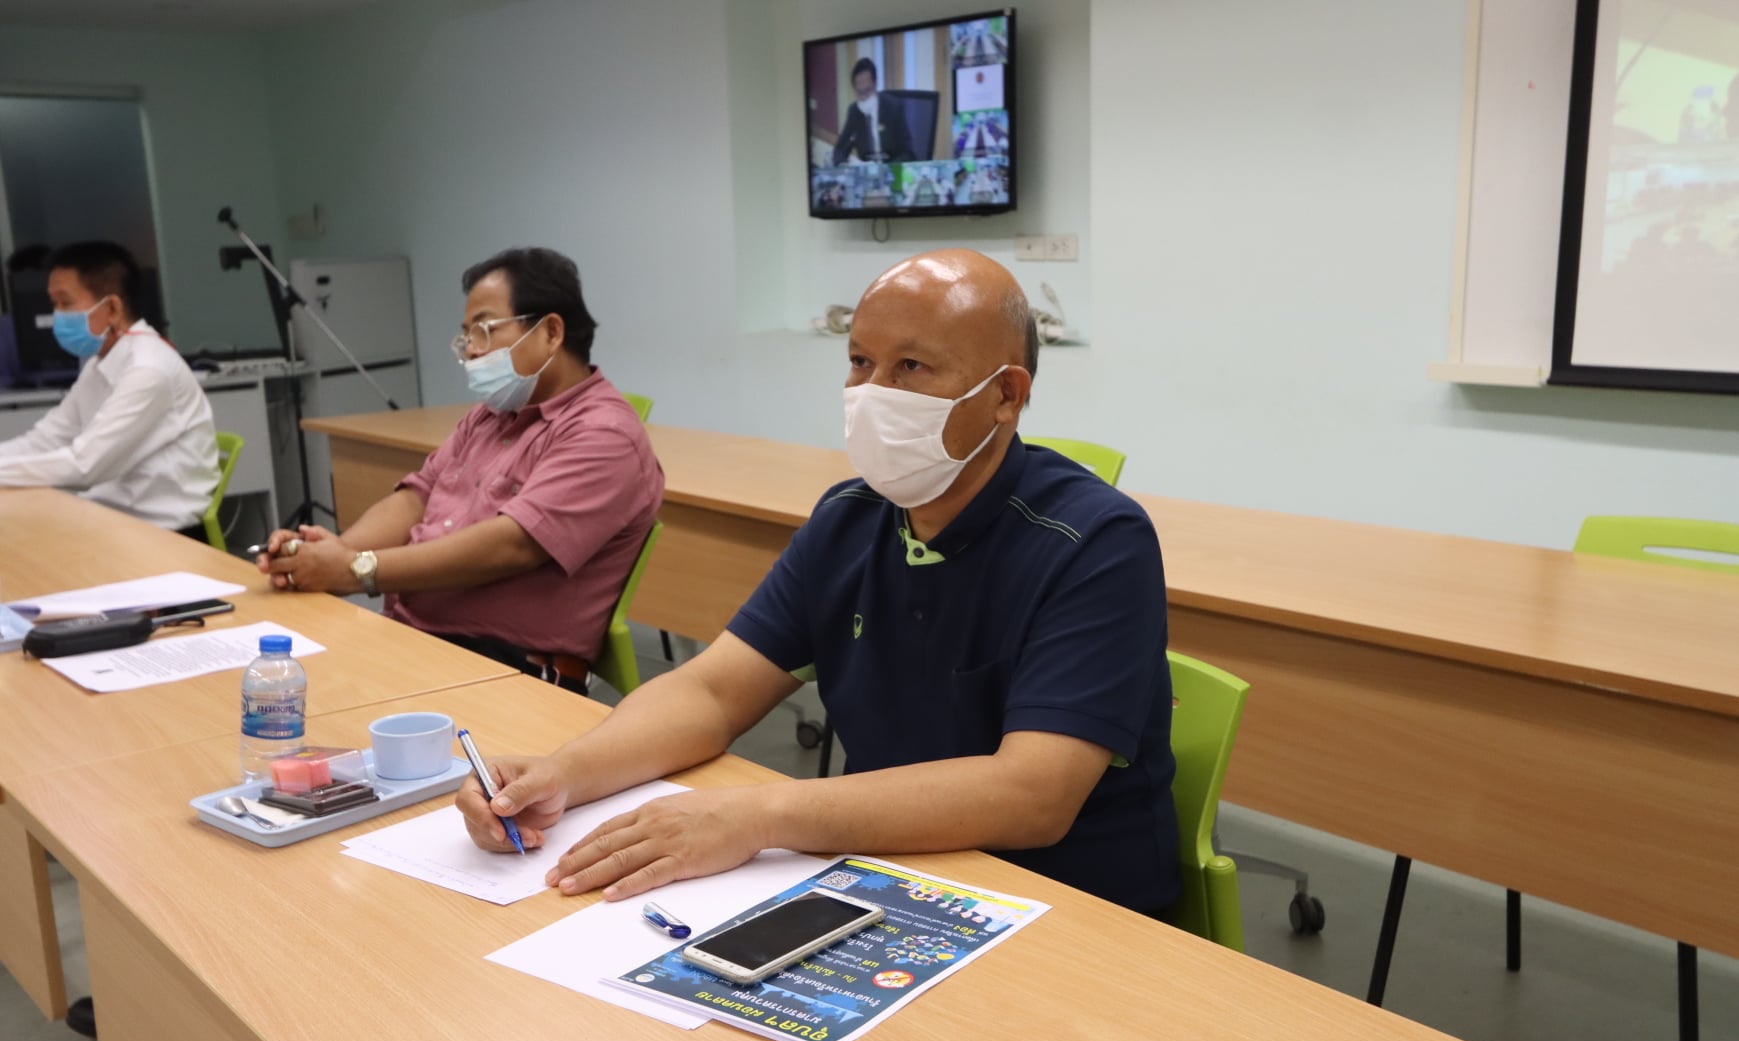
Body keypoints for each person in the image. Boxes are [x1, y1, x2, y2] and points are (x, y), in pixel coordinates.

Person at [458, 249, 1179, 917]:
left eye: (911, 367)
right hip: (886, 870)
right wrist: (565, 774)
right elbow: (712, 692)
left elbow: (1032, 795)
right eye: (861, 362)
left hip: (1065, 905)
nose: (872, 393)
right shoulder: (849, 519)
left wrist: (759, 816)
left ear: (1005, 396)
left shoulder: (1096, 541)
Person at [257, 247, 663, 688]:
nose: (470, 350)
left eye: (484, 330)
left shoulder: (604, 434)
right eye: (466, 335)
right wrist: (329, 555)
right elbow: (417, 498)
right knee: (272, 685)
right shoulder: (490, 416)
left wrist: (358, 569)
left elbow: (512, 545)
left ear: (550, 332)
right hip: (419, 636)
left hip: (509, 667)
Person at [0, 241, 218, 532]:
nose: (57, 316)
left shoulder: (148, 369)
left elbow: (84, 466)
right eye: (54, 304)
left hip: (166, 537)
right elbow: (47, 439)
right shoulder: (100, 362)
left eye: (66, 303)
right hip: (113, 523)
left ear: (112, 308)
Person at [832, 57, 914, 165]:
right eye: (859, 92)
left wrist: (885, 170)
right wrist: (843, 165)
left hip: (891, 168)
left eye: (867, 91)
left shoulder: (893, 107)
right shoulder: (854, 111)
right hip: (866, 171)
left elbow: (907, 152)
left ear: (875, 84)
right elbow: (839, 150)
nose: (864, 97)